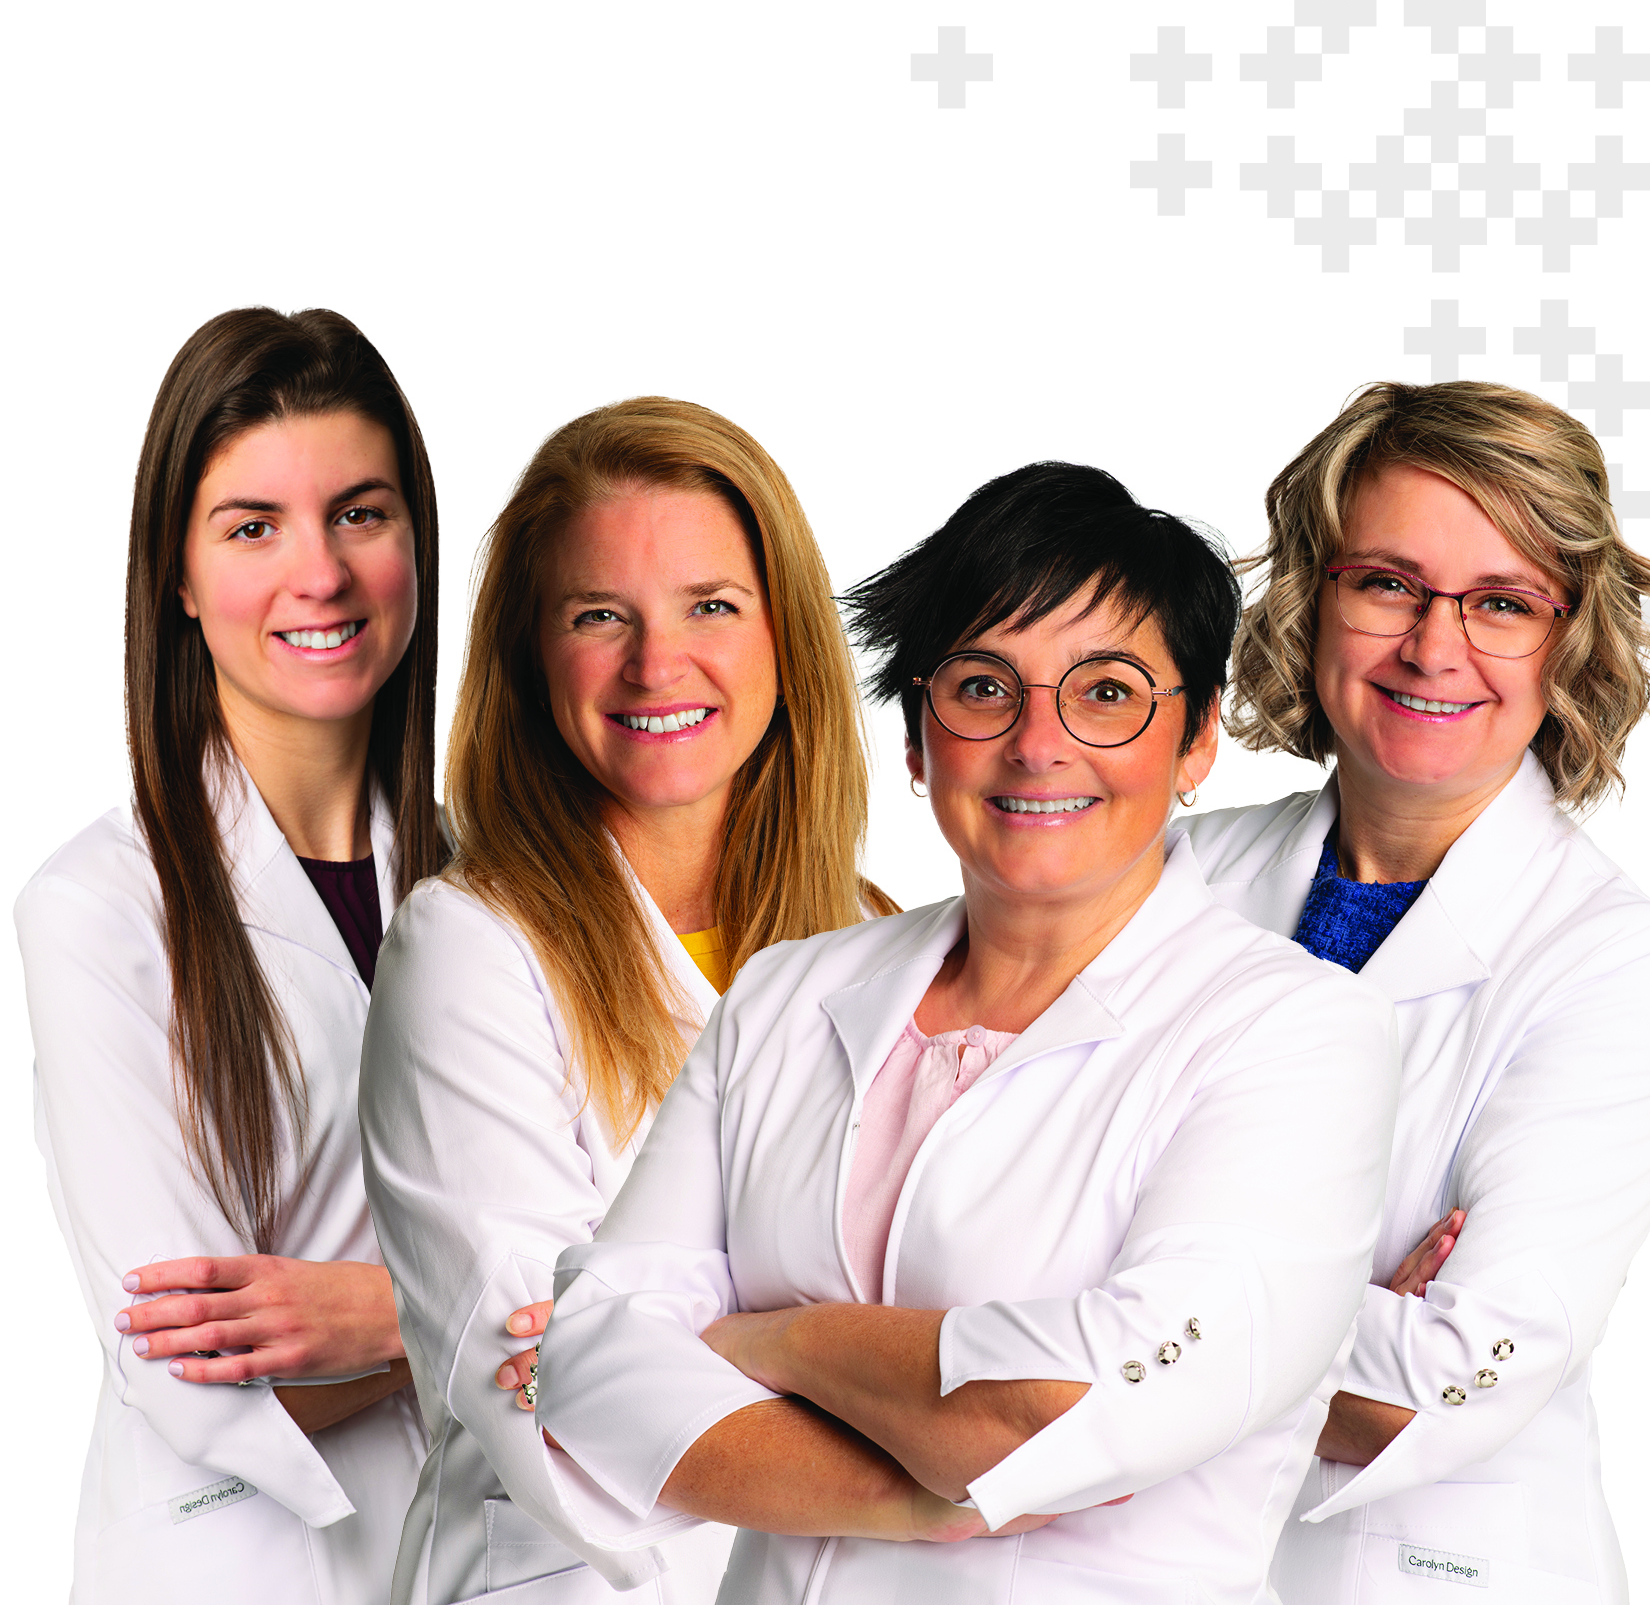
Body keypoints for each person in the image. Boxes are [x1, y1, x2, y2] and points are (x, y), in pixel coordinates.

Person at [518, 462, 1400, 1603]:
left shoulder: (1296, 1036)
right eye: (984, 687)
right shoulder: (786, 994)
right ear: (917, 738)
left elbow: (1075, 1411)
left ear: (1195, 744)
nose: (1038, 741)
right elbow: (587, 1369)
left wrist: (776, 1342)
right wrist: (919, 1498)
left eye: (1108, 691)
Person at [359, 397, 895, 1605]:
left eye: (712, 605)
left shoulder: (873, 933)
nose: (658, 664)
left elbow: (980, 1296)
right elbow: (563, 1399)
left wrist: (694, 1337)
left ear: (786, 637)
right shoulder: (468, 950)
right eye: (600, 615)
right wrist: (911, 1435)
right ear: (532, 656)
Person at [1184, 381, 1650, 1603]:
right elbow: (973, 1226)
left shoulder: (1608, 958)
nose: (1435, 647)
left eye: (1503, 602)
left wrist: (1121, 1308)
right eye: (1388, 583)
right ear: (1313, 597)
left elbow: (1447, 1376)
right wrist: (1332, 1321)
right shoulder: (1174, 876)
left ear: (1569, 640)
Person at [15, 308, 443, 1602]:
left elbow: (652, 1272)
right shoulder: (97, 909)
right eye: (254, 527)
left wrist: (380, 1314)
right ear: (181, 577)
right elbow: (194, 1378)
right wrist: (483, 1323)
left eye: (359, 513)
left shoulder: (507, 886)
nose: (320, 573)